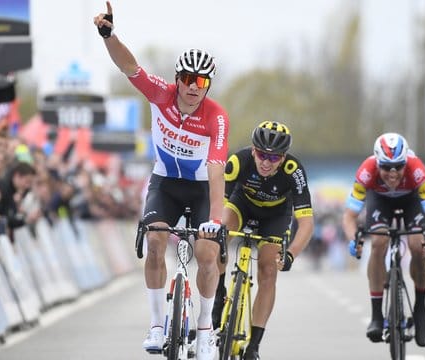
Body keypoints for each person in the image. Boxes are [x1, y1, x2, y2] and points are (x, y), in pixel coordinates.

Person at [94, 3, 230, 358]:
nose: (192, 87)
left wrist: (215, 220)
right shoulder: (161, 94)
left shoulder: (216, 117)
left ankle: (204, 330)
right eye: (186, 78)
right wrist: (109, 35)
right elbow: (129, 66)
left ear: (207, 85)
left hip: (201, 188)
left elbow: (216, 170)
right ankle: (156, 326)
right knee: (154, 240)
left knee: (206, 253)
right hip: (165, 183)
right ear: (177, 79)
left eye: (200, 82)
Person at [212, 121, 314, 360]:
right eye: (261, 155)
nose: (266, 162)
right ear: (253, 149)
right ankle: (218, 295)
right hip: (241, 205)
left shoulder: (294, 171)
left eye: (274, 157)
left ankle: (254, 345)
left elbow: (307, 223)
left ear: (284, 157)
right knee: (221, 233)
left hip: (275, 215)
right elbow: (215, 204)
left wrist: (290, 254)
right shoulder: (239, 161)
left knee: (268, 269)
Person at [342, 133, 425, 347]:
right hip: (380, 201)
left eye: (398, 166)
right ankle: (377, 315)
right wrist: (354, 239)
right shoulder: (366, 171)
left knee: (418, 244)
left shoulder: (416, 170)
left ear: (406, 162)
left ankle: (420, 307)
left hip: (411, 201)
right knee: (378, 242)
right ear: (377, 163)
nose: (393, 173)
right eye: (386, 167)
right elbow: (349, 217)